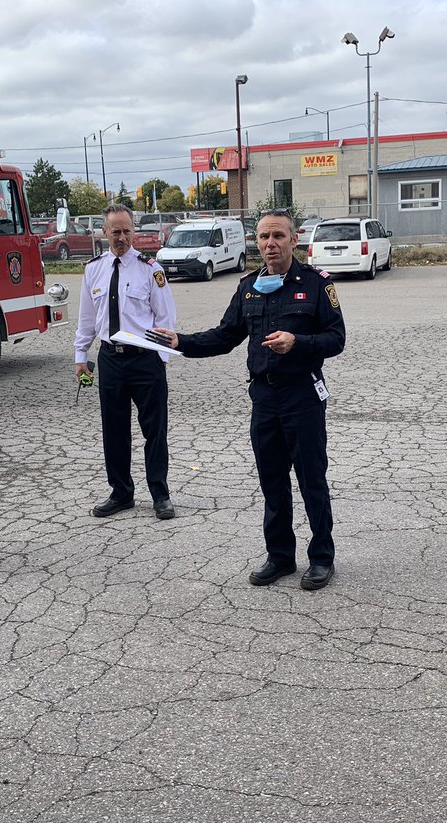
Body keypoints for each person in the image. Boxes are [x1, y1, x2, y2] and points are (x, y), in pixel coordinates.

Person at [152, 210, 345, 590]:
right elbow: (226, 336)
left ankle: (322, 557)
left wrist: (298, 342)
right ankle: (280, 556)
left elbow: (336, 339)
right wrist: (181, 342)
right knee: (272, 482)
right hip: (264, 398)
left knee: (311, 481)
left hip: (302, 396)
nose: (270, 243)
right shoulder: (248, 287)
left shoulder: (316, 284)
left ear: (294, 240)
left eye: (277, 236)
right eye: (263, 237)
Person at [75, 204, 177, 519]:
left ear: (134, 232)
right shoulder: (94, 269)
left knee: (154, 430)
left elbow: (165, 317)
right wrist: (81, 356)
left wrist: (160, 359)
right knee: (114, 430)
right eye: (115, 231)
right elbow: (87, 319)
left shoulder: (150, 269)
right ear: (104, 233)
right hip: (111, 360)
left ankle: (160, 494)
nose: (121, 237)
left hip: (145, 360)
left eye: (126, 231)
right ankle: (121, 493)